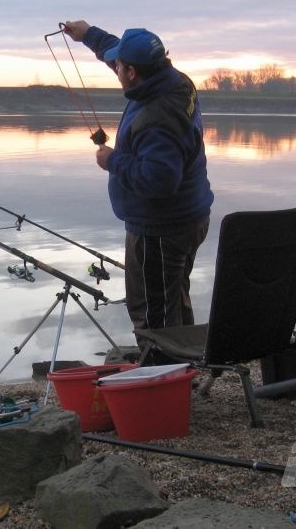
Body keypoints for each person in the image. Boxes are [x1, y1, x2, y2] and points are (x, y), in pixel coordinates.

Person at [63, 21, 214, 352]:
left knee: (152, 314)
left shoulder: (157, 117)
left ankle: (161, 381)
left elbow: (160, 180)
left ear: (131, 72)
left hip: (160, 230)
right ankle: (182, 367)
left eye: (120, 66)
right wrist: (87, 34)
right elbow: (118, 53)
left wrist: (112, 161)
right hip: (189, 217)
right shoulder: (172, 80)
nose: (115, 68)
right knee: (173, 297)